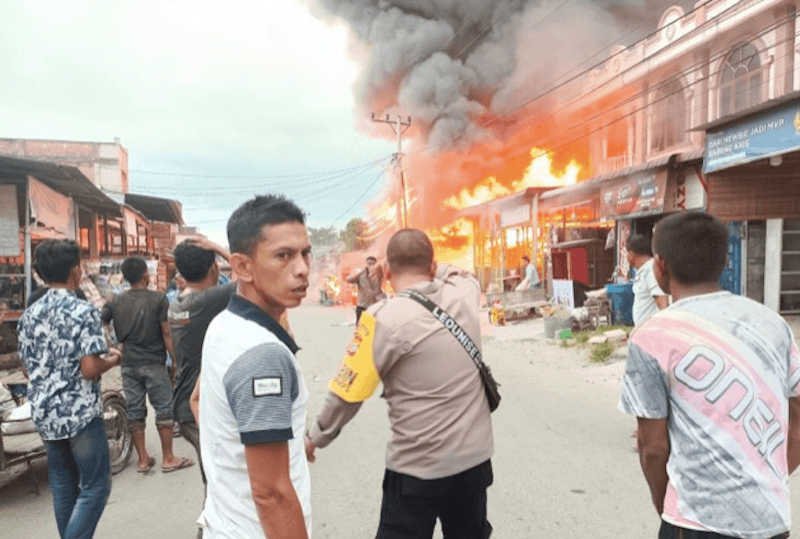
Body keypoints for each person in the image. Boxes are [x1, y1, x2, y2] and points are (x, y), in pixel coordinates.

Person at [619, 212, 800, 539]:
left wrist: (668, 509)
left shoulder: (652, 336)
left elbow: (653, 447)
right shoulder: (773, 324)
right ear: (723, 262)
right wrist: (766, 483)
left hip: (696, 523)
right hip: (772, 522)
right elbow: (798, 419)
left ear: (661, 266)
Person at [306, 228, 494, 539]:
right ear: (432, 267)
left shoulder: (382, 318)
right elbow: (463, 274)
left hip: (416, 470)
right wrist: (435, 266)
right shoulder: (464, 294)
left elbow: (349, 392)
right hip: (473, 464)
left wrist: (316, 437)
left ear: (388, 271)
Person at [198, 194, 311, 539]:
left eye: (306, 253)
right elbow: (271, 494)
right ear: (243, 267)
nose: (303, 268)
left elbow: (197, 399)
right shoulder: (262, 353)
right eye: (284, 255)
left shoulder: (225, 323)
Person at [16, 239, 121, 538]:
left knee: (64, 488)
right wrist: (113, 361)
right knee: (96, 487)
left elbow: (27, 368)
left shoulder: (28, 316)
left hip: (45, 412)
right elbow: (89, 368)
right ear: (76, 269)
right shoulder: (82, 310)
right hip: (79, 415)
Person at [100, 257, 193, 474]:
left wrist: (112, 346)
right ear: (145, 275)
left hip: (128, 365)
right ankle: (168, 458)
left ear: (124, 277)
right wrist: (176, 361)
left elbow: (101, 324)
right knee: (163, 409)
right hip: (154, 363)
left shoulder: (114, 301)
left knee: (134, 410)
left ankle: (142, 459)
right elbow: (166, 332)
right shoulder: (159, 299)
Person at [168, 238, 235, 536]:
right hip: (201, 407)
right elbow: (251, 274)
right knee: (220, 484)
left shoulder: (178, 302)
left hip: (184, 404)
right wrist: (218, 248)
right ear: (212, 267)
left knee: (215, 479)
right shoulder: (209, 300)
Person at [627, 234, 669, 326]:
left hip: (652, 331)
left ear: (631, 254)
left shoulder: (650, 270)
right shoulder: (643, 270)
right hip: (644, 331)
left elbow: (662, 301)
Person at [346, 255, 384, 324]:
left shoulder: (378, 275)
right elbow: (349, 279)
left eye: (373, 264)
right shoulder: (360, 275)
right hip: (362, 306)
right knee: (360, 331)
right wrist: (363, 271)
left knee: (373, 331)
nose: (371, 266)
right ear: (366, 264)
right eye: (369, 264)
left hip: (374, 307)